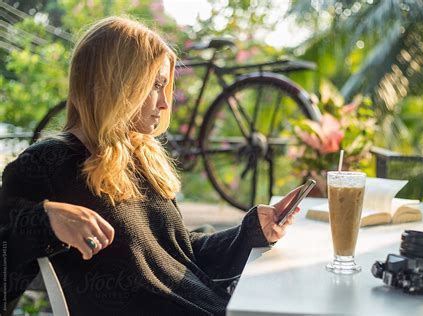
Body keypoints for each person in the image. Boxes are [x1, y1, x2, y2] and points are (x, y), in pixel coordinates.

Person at [0, 16, 301, 316]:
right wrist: (45, 220)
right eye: (155, 85)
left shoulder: (140, 156)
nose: (164, 104)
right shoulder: (46, 164)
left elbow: (177, 259)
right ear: (116, 83)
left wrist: (249, 233)